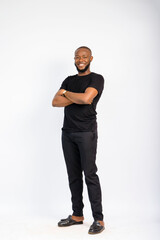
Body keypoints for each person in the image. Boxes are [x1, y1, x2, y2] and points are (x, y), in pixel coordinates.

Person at [52, 46, 105, 234]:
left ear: (91, 58)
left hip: (86, 133)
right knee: (73, 175)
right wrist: (74, 96)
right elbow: (55, 102)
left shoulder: (96, 79)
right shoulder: (69, 80)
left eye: (84, 57)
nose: (80, 60)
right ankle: (77, 215)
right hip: (67, 133)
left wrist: (66, 93)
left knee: (90, 174)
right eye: (77, 57)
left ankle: (98, 219)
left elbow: (87, 99)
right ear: (74, 59)